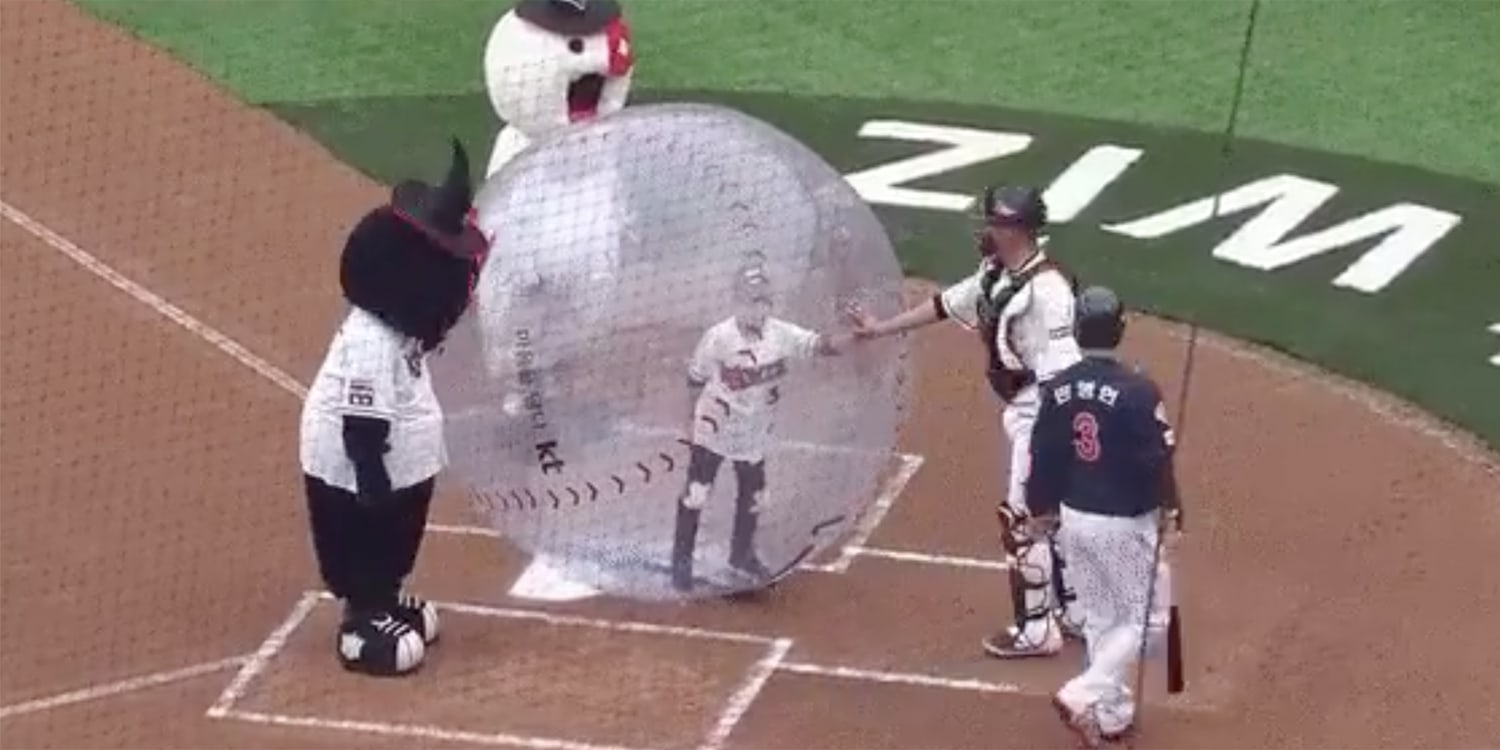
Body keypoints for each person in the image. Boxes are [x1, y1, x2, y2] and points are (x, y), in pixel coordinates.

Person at [850, 184, 1084, 658]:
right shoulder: (999, 274)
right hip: (1024, 408)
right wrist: (879, 330)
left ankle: (1039, 628)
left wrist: (1052, 442)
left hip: (1044, 411)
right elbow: (945, 304)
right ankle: (1074, 608)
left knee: (1025, 519)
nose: (986, 229)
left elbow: (1065, 373)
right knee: (1046, 518)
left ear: (1017, 230)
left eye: (994, 222)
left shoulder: (1049, 293)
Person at [298, 138, 490, 676]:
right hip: (357, 466)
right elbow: (361, 424)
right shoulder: (370, 341)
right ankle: (362, 622)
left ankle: (384, 598)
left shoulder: (401, 333)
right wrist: (370, 475)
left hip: (398, 457)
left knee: (397, 537)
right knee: (366, 535)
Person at [1025, 286, 1182, 746]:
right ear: (1120, 330)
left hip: (1074, 517)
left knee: (1101, 618)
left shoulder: (1057, 390)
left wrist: (1040, 509)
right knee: (1148, 620)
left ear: (1076, 331)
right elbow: (1157, 458)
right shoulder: (1137, 390)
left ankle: (1111, 713)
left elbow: (1044, 454)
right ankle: (1084, 692)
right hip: (1124, 521)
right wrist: (1173, 509)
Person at [671, 260, 867, 593]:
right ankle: (681, 562)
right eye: (751, 300)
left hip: (753, 434)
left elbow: (820, 345)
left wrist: (856, 337)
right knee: (696, 495)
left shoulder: (781, 334)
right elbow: (695, 379)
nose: (758, 307)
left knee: (755, 498)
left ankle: (741, 555)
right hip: (713, 431)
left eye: (763, 300)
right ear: (736, 302)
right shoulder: (718, 338)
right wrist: (689, 422)